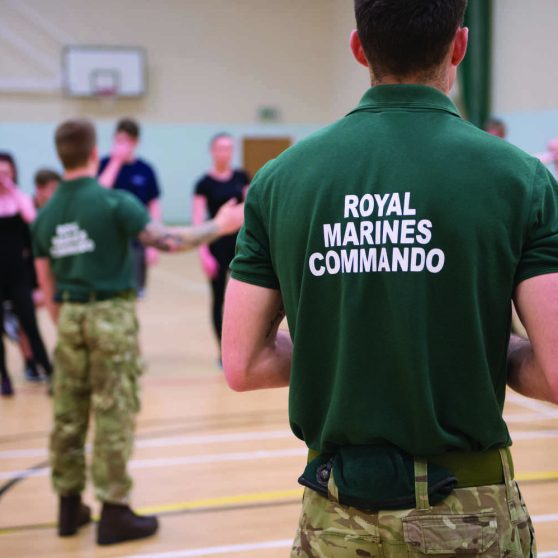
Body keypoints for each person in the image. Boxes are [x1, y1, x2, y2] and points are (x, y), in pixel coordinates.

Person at [221, 1, 556, 555]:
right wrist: (467, 348)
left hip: (334, 516)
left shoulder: (279, 181)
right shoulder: (520, 179)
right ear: (459, 46)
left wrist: (349, 348)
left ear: (359, 47)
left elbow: (243, 363)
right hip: (469, 513)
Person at [32, 119, 243, 545]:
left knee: (68, 413)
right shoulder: (114, 202)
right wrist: (219, 226)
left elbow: (46, 284)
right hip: (110, 315)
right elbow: (167, 240)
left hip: (69, 317)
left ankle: (69, 507)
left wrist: (67, 321)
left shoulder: (46, 214)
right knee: (113, 411)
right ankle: (114, 512)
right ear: (95, 153)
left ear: (61, 155)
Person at [0, 152, 52, 395]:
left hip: (18, 275)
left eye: (7, 173)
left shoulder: (20, 199)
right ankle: (5, 380)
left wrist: (11, 188)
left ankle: (49, 371)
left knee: (30, 325)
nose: (2, 177)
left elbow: (34, 222)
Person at [192, 134, 250, 351]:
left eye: (228, 148)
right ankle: (222, 350)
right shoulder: (203, 184)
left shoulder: (241, 177)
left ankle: (244, 347)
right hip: (216, 246)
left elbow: (250, 209)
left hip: (240, 247)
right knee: (219, 300)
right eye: (220, 148)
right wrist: (203, 254)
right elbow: (198, 222)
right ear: (212, 151)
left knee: (243, 299)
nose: (225, 152)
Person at [98, 118, 161, 297]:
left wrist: (154, 244)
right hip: (107, 239)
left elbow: (154, 206)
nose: (121, 145)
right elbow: (99, 194)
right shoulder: (103, 165)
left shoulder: (146, 170)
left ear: (135, 143)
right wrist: (116, 162)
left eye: (125, 141)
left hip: (137, 240)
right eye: (118, 140)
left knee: (134, 293)